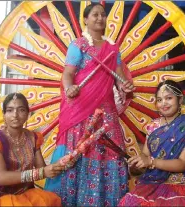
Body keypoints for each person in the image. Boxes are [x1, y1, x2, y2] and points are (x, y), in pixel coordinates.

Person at [44, 3, 135, 206]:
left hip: (106, 111)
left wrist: (126, 86)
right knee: (77, 153)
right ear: (85, 19)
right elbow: (68, 74)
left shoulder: (113, 50)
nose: (100, 18)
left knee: (111, 153)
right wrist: (69, 88)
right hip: (79, 110)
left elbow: (120, 79)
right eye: (95, 15)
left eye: (103, 15)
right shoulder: (78, 45)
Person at [119, 80, 185, 207]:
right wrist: (135, 166)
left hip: (181, 183)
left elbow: (183, 164)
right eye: (159, 100)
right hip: (151, 182)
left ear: (180, 100)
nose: (164, 103)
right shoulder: (153, 127)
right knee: (129, 201)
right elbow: (145, 158)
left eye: (169, 98)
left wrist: (151, 162)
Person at [0, 93, 77, 206]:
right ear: (4, 114)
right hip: (1, 195)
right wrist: (42, 172)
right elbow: (2, 178)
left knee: (50, 200)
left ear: (28, 114)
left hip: (27, 193)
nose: (15, 115)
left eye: (21, 110)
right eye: (10, 110)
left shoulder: (33, 138)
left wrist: (61, 163)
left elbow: (42, 169)